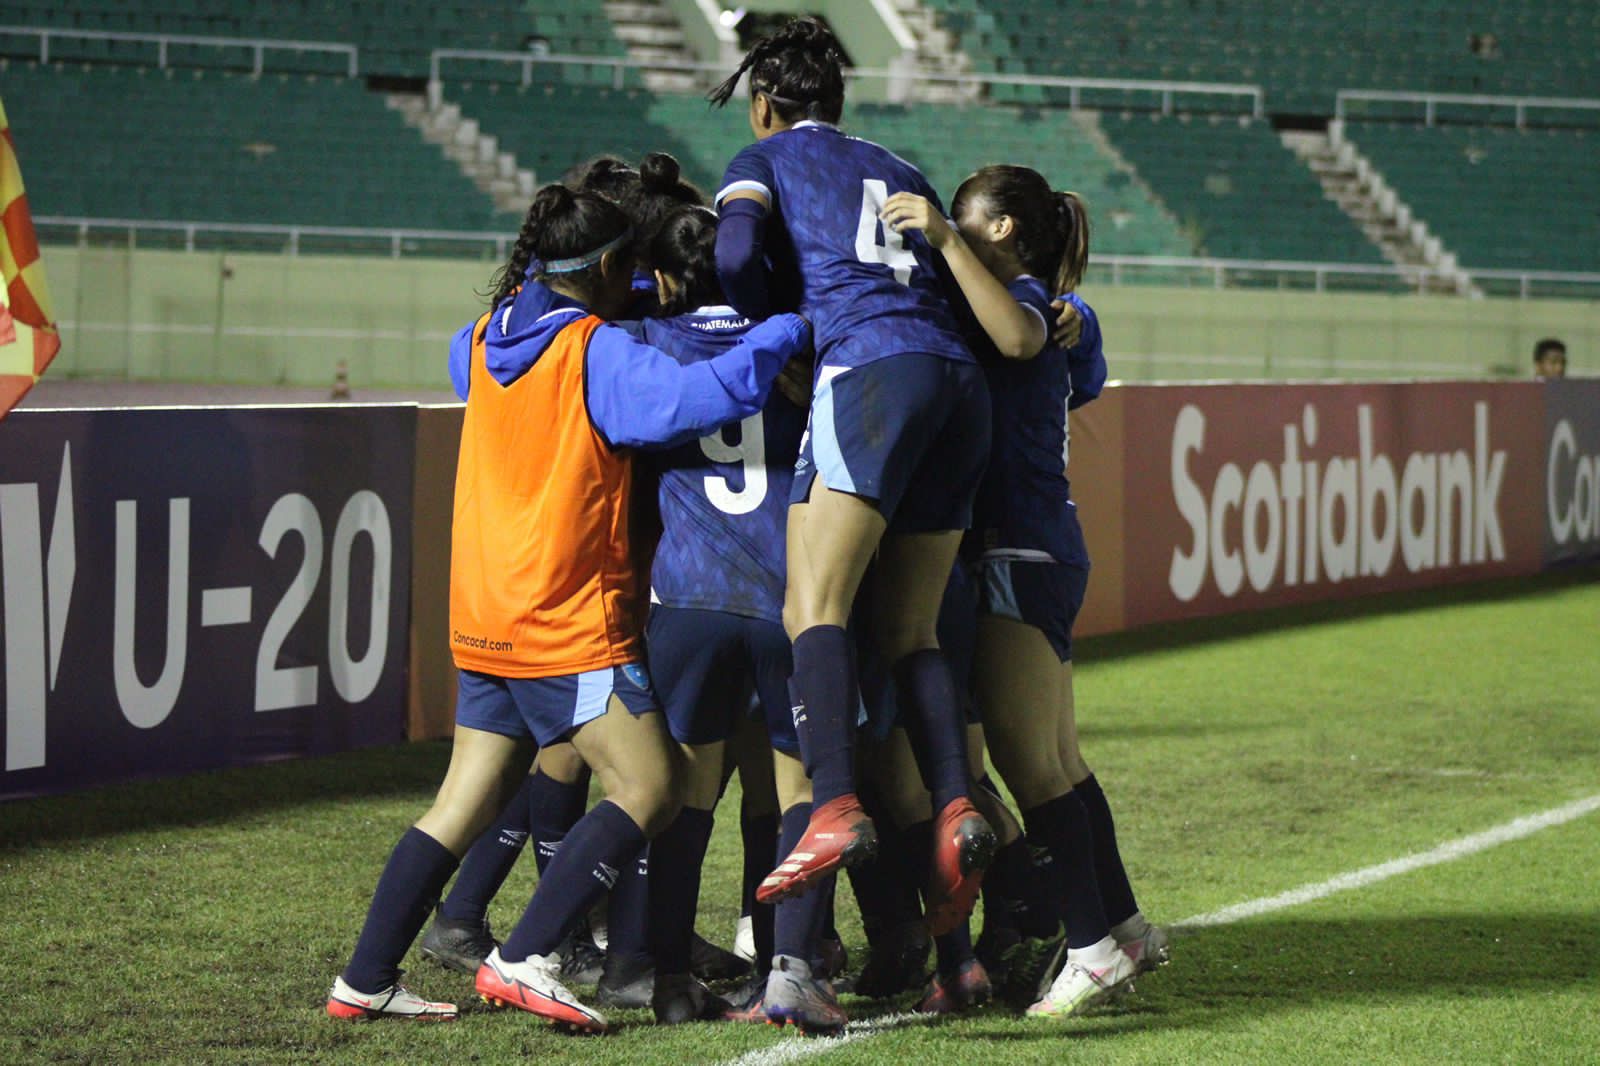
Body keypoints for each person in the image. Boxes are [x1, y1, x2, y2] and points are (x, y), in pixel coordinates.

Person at [324, 183, 810, 1032]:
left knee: (461, 801)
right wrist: (785, 326)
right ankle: (527, 956)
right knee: (652, 784)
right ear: (615, 267)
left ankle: (364, 979)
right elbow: (703, 398)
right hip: (565, 616)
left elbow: (538, 345)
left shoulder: (478, 337)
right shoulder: (595, 353)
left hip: (484, 613)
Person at [708, 16, 997, 945]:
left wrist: (781, 331)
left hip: (868, 372)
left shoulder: (763, 159)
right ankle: (958, 805)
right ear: (840, 101)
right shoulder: (900, 166)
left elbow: (734, 256)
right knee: (912, 625)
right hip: (958, 382)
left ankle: (833, 803)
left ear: (764, 104)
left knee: (814, 607)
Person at [881, 164, 1167, 1018]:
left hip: (1020, 549)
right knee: (1063, 762)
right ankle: (1124, 925)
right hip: (1037, 548)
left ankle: (1088, 946)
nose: (954, 229)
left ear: (1001, 230)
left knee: (1027, 764)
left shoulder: (1030, 307)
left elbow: (1026, 340)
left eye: (966, 219)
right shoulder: (1033, 305)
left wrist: (936, 235)